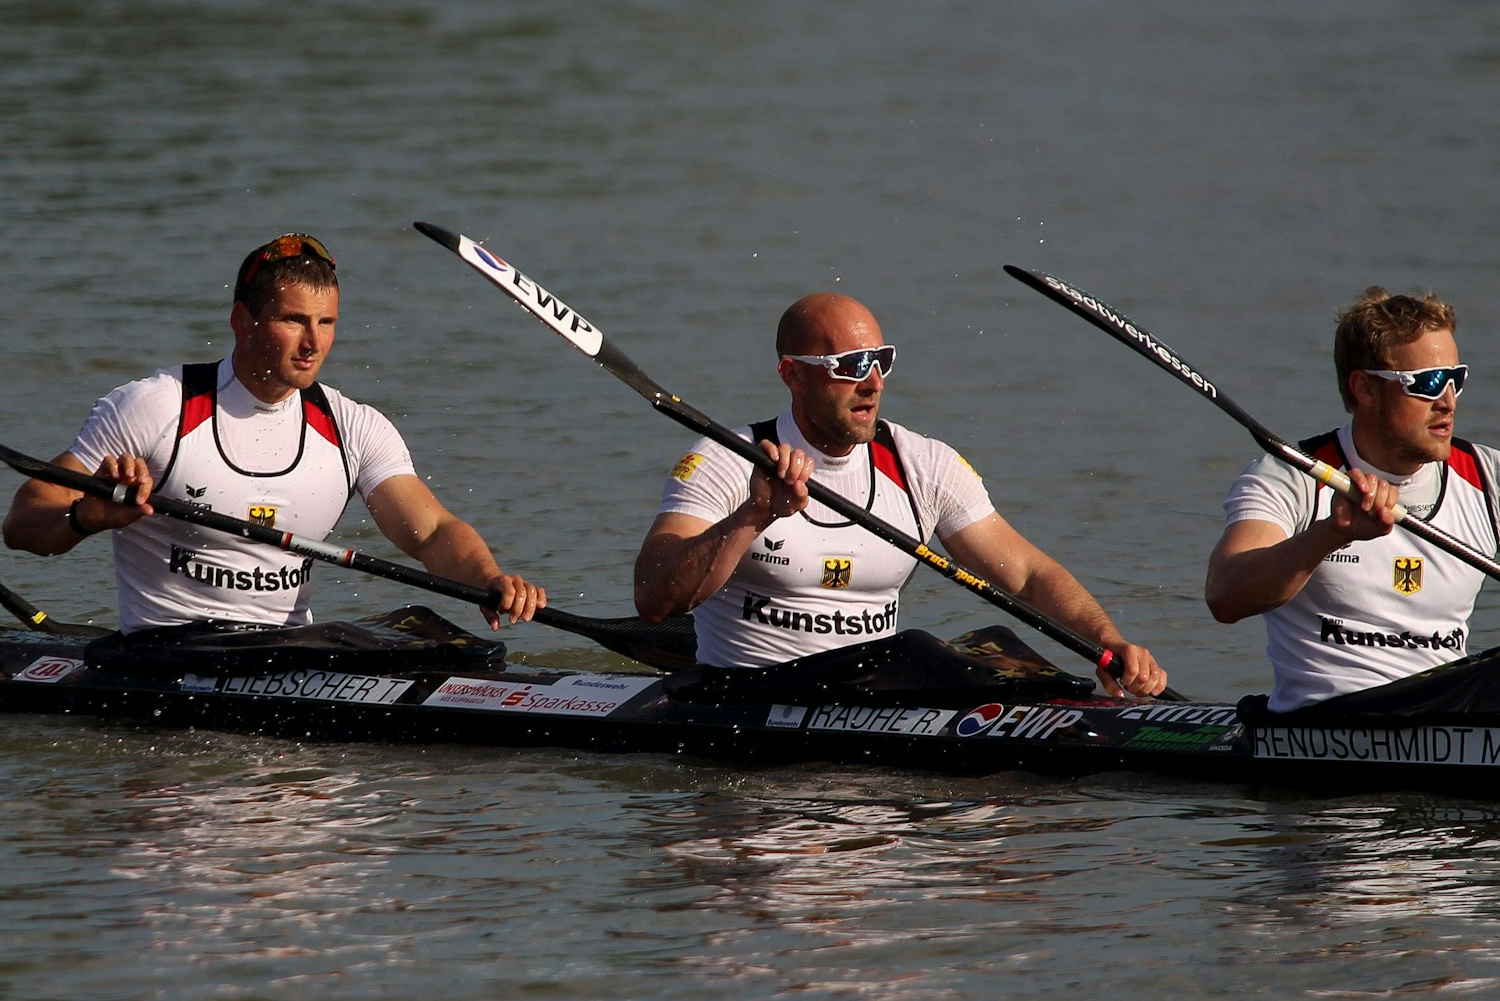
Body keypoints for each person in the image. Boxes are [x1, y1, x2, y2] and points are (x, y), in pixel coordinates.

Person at [1, 232, 546, 634]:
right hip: (164, 654)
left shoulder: (352, 426)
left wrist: (488, 577)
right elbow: (24, 520)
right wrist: (85, 518)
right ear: (243, 321)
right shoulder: (156, 406)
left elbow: (430, 532)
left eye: (326, 323)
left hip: (287, 656)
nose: (313, 342)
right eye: (294, 320)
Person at [633, 291, 1168, 697]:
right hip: (749, 699)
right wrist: (754, 514)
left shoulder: (924, 465)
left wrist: (1108, 641)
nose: (873, 383)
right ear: (793, 375)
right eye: (850, 367)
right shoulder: (727, 460)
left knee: (995, 640)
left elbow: (1029, 576)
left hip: (876, 692)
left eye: (881, 360)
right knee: (914, 649)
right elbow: (655, 598)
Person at [1206, 286, 1496, 712]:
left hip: (1445, 709)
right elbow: (1224, 595)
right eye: (1429, 383)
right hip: (1329, 723)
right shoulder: (1293, 477)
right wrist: (1331, 532)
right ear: (1365, 388)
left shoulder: (1489, 479)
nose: (1447, 402)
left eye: (1456, 379)